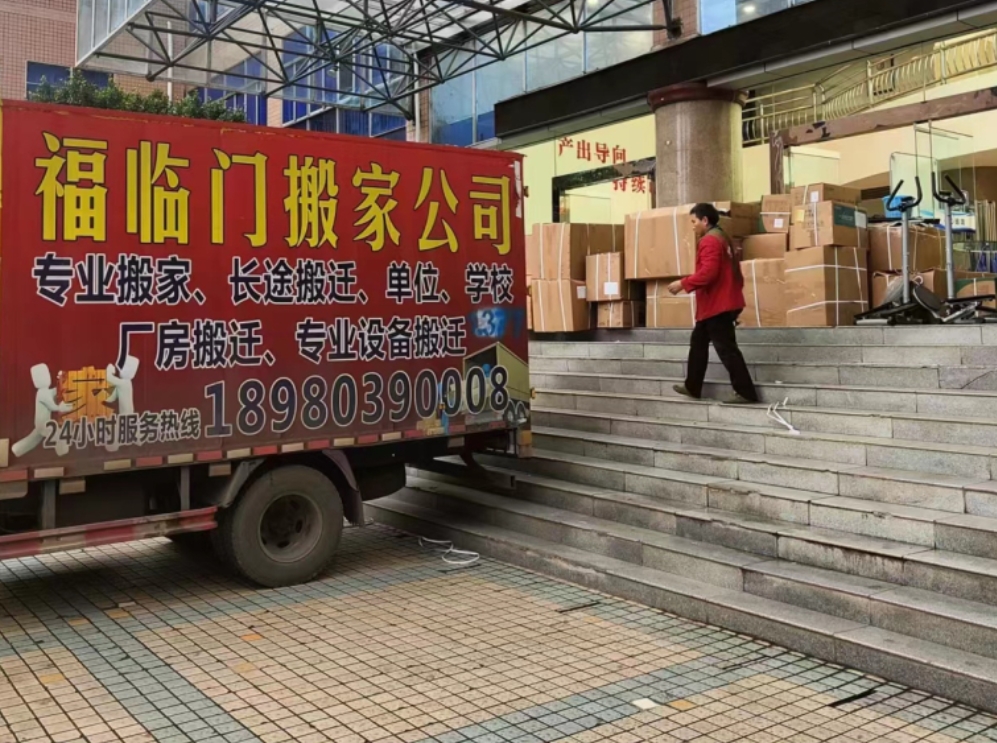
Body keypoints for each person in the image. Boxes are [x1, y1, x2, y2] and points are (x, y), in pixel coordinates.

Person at [667, 203, 759, 405]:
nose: (692, 226)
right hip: (719, 303)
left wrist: (683, 283)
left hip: (717, 305)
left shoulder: (709, 241)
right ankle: (693, 386)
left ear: (705, 220)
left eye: (694, 221)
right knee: (698, 343)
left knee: (726, 349)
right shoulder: (723, 237)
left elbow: (708, 273)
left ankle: (746, 392)